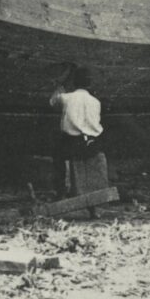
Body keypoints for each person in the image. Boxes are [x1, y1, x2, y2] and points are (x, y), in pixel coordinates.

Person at [49, 66, 104, 199]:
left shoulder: (67, 98)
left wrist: (59, 85)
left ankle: (61, 192)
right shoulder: (96, 102)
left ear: (74, 83)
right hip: (93, 145)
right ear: (90, 84)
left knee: (57, 156)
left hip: (73, 145)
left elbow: (53, 102)